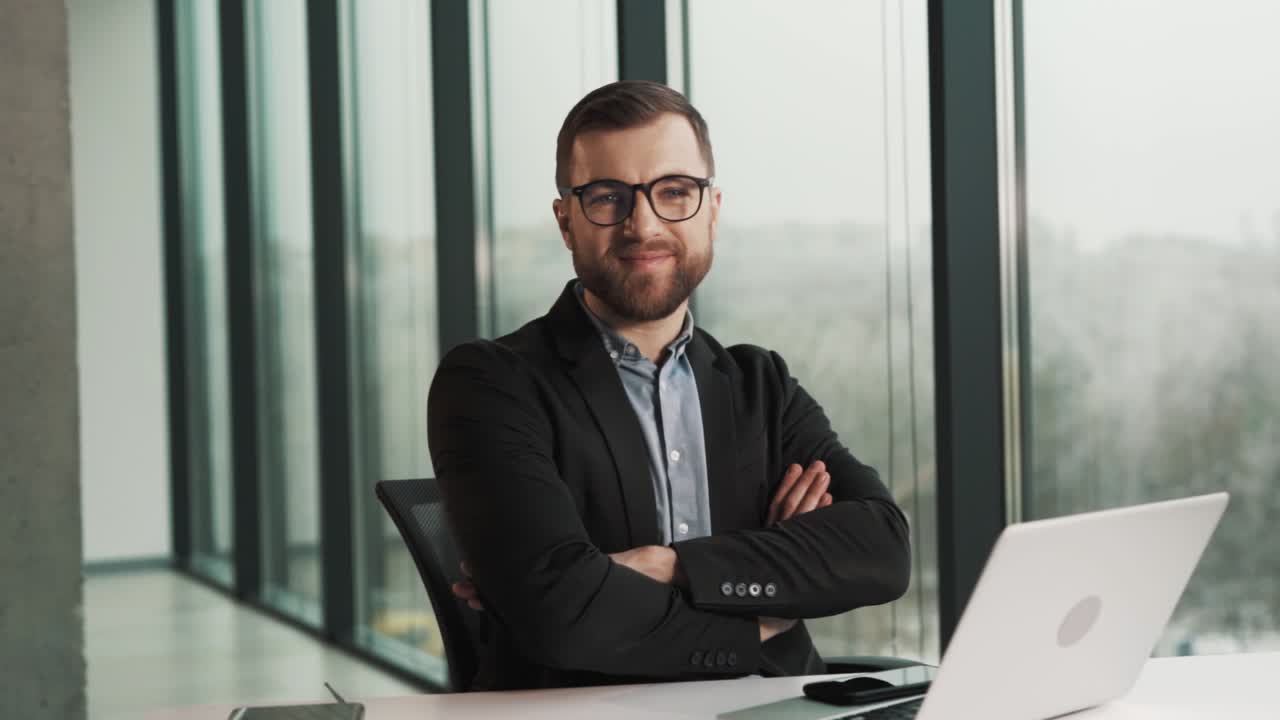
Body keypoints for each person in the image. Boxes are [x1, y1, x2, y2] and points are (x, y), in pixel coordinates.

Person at [427, 80, 910, 691]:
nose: (643, 224)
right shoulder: (491, 384)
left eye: (674, 192)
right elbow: (560, 614)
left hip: (777, 706)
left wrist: (672, 565)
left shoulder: (760, 383)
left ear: (711, 208)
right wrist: (766, 613)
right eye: (608, 197)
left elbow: (881, 551)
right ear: (566, 220)